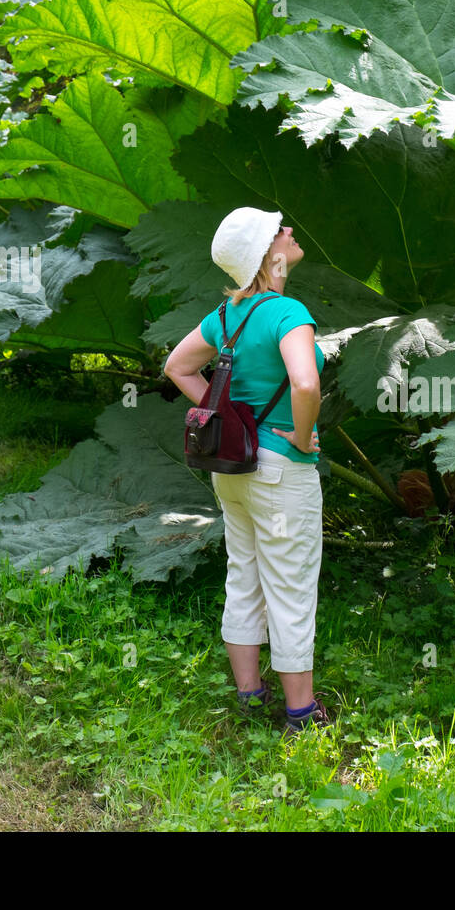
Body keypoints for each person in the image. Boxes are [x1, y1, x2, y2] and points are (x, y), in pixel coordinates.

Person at [163, 206, 330, 734]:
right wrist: (302, 437)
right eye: (280, 229)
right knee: (291, 585)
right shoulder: (288, 314)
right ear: (269, 255)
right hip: (282, 472)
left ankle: (249, 696)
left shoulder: (227, 315)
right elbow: (305, 384)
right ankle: (302, 715)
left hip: (232, 468)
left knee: (246, 575)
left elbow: (178, 367)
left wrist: (227, 418)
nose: (289, 230)